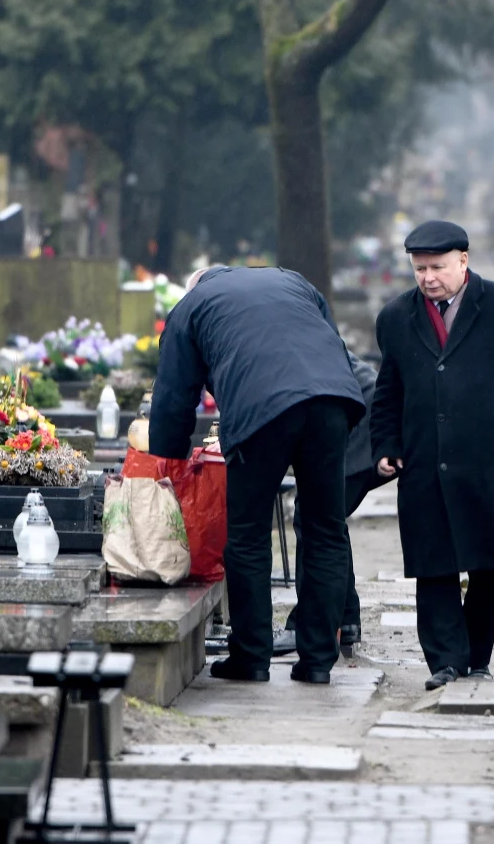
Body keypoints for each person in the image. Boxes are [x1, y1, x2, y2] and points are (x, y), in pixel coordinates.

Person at [150, 266, 364, 685]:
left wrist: (169, 466)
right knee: (325, 528)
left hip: (261, 410)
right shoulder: (295, 280)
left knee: (247, 533)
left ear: (193, 285)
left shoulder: (190, 306)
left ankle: (251, 657)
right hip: (333, 402)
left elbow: (174, 396)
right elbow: (328, 341)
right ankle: (319, 659)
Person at [371, 220, 494, 690]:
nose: (429, 277)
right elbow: (387, 389)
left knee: (491, 560)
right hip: (423, 459)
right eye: (419, 269)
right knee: (434, 564)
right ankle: (445, 660)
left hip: (488, 457)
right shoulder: (395, 317)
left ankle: (477, 654)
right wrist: (385, 444)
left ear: (464, 261)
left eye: (438, 267)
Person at [273, 350, 391, 657]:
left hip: (362, 419)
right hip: (358, 409)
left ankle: (308, 625)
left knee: (314, 516)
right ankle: (345, 619)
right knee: (327, 518)